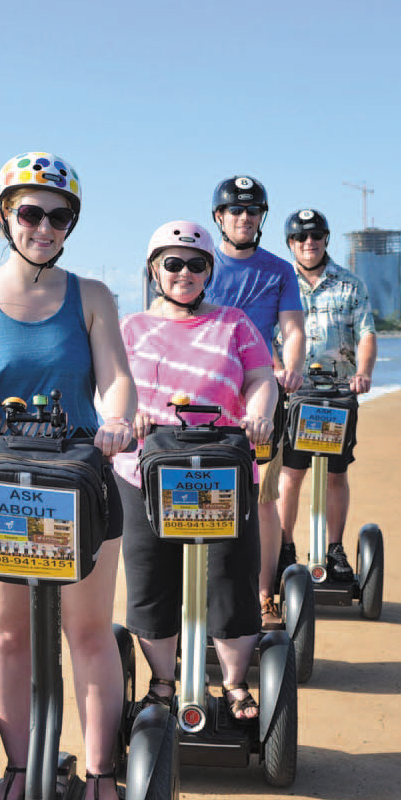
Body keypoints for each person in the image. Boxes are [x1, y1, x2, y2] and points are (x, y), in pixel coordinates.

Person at [0, 151, 136, 800]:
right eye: (30, 212)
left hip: (77, 480)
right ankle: (21, 768)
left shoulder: (93, 297)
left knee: (87, 632)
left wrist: (118, 419)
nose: (44, 226)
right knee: (7, 634)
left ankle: (102, 771)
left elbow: (117, 379)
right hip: (3, 483)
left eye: (58, 215)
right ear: (4, 217)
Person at [116, 221, 277, 724]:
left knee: (230, 573)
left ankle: (233, 681)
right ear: (154, 270)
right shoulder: (131, 328)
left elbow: (260, 377)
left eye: (195, 264)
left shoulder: (234, 324)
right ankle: (163, 680)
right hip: (144, 468)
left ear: (209, 270)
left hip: (222, 467)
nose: (184, 273)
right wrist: (124, 416)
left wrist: (260, 413)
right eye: (173, 263)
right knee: (150, 576)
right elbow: (110, 385)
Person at [202, 175, 306, 620]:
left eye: (253, 211)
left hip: (259, 395)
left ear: (262, 218)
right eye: (236, 210)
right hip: (203, 400)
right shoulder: (197, 265)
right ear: (219, 217)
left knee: (263, 497)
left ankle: (263, 596)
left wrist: (294, 365)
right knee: (202, 494)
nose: (245, 217)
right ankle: (201, 597)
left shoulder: (279, 270)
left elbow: (294, 328)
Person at [280, 208, 377, 581]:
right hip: (297, 393)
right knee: (292, 472)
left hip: (339, 394)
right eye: (301, 238)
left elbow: (366, 333)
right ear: (291, 243)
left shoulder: (350, 284)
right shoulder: (282, 283)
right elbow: (267, 335)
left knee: (336, 474)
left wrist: (364, 374)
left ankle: (334, 549)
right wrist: (278, 369)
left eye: (316, 236)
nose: (309, 243)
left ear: (326, 240)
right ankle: (285, 547)